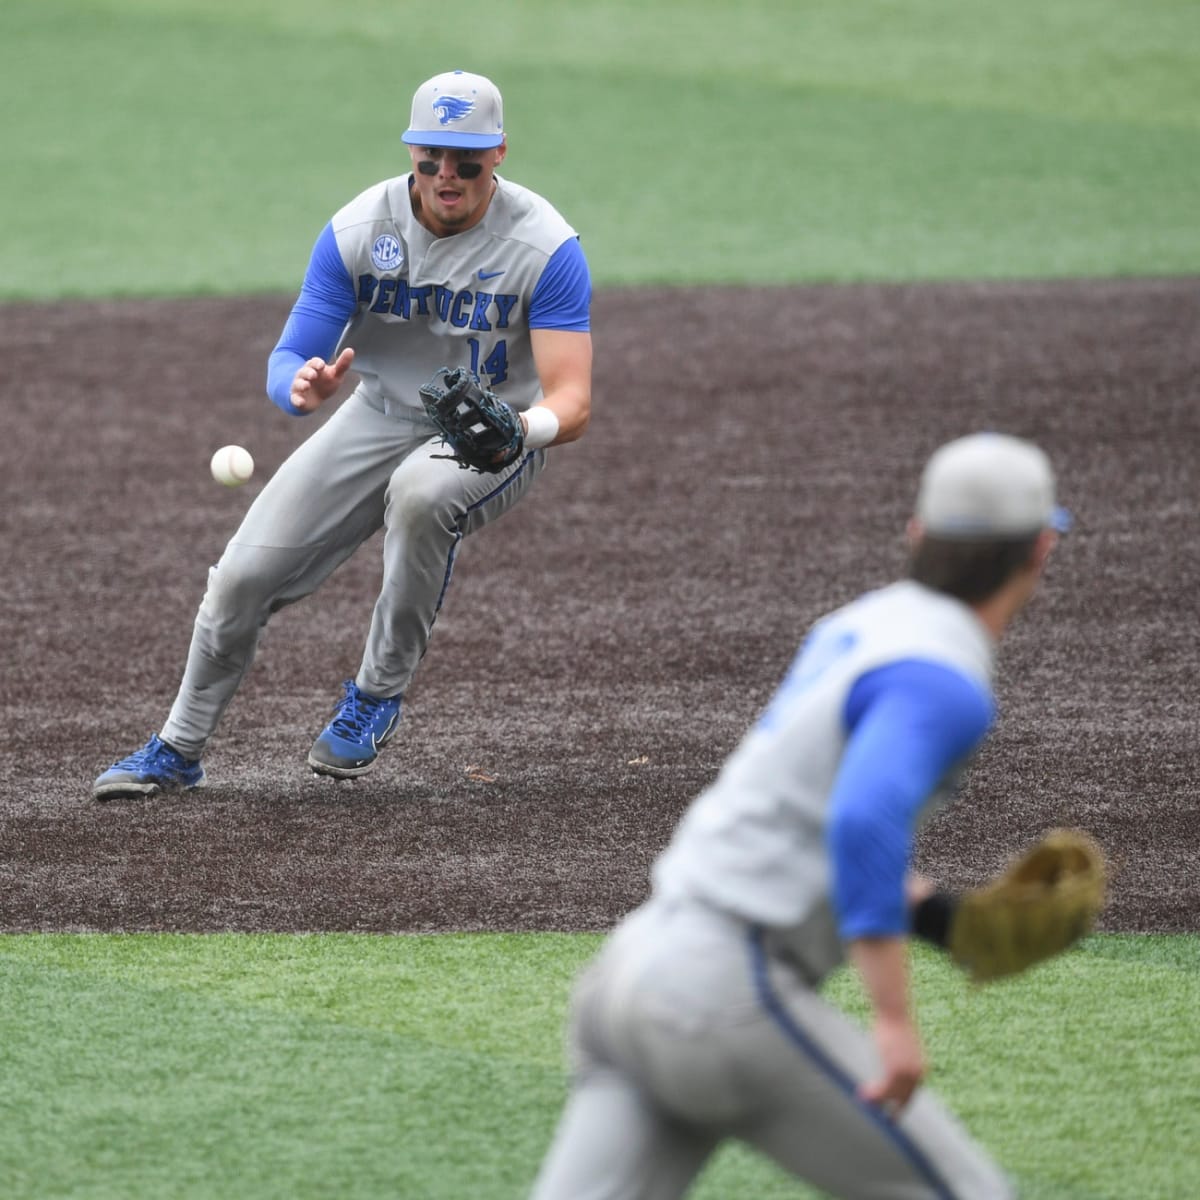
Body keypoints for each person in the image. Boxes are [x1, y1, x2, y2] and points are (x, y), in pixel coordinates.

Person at [531, 432, 1072, 1200]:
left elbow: (799, 807)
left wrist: (937, 916)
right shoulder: (943, 676)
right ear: (1041, 551)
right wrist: (892, 1018)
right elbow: (859, 821)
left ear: (918, 537)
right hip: (721, 994)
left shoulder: (862, 625)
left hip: (632, 970)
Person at [93, 69, 592, 798]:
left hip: (494, 431)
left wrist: (522, 427)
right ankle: (177, 748)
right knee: (241, 577)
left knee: (423, 494)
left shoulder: (544, 246)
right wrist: (299, 386)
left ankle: (375, 695)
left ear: (500, 156)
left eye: (467, 160)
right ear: (412, 152)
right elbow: (290, 357)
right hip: (378, 414)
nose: (446, 175)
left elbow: (573, 400)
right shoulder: (361, 230)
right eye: (431, 157)